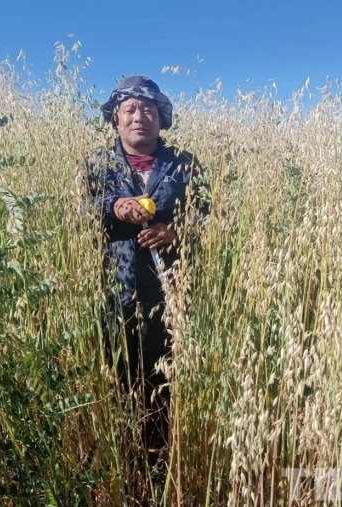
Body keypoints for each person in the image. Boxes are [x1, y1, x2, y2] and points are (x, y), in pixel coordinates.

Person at [82, 75, 210, 454]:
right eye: (130, 109)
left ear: (161, 118)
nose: (139, 117)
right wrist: (114, 206)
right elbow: (78, 213)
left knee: (167, 382)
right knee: (119, 379)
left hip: (171, 296)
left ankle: (164, 456)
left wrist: (176, 231)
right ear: (116, 118)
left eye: (148, 109)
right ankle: (124, 455)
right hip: (115, 296)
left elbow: (212, 217)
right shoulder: (97, 164)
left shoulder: (184, 164)